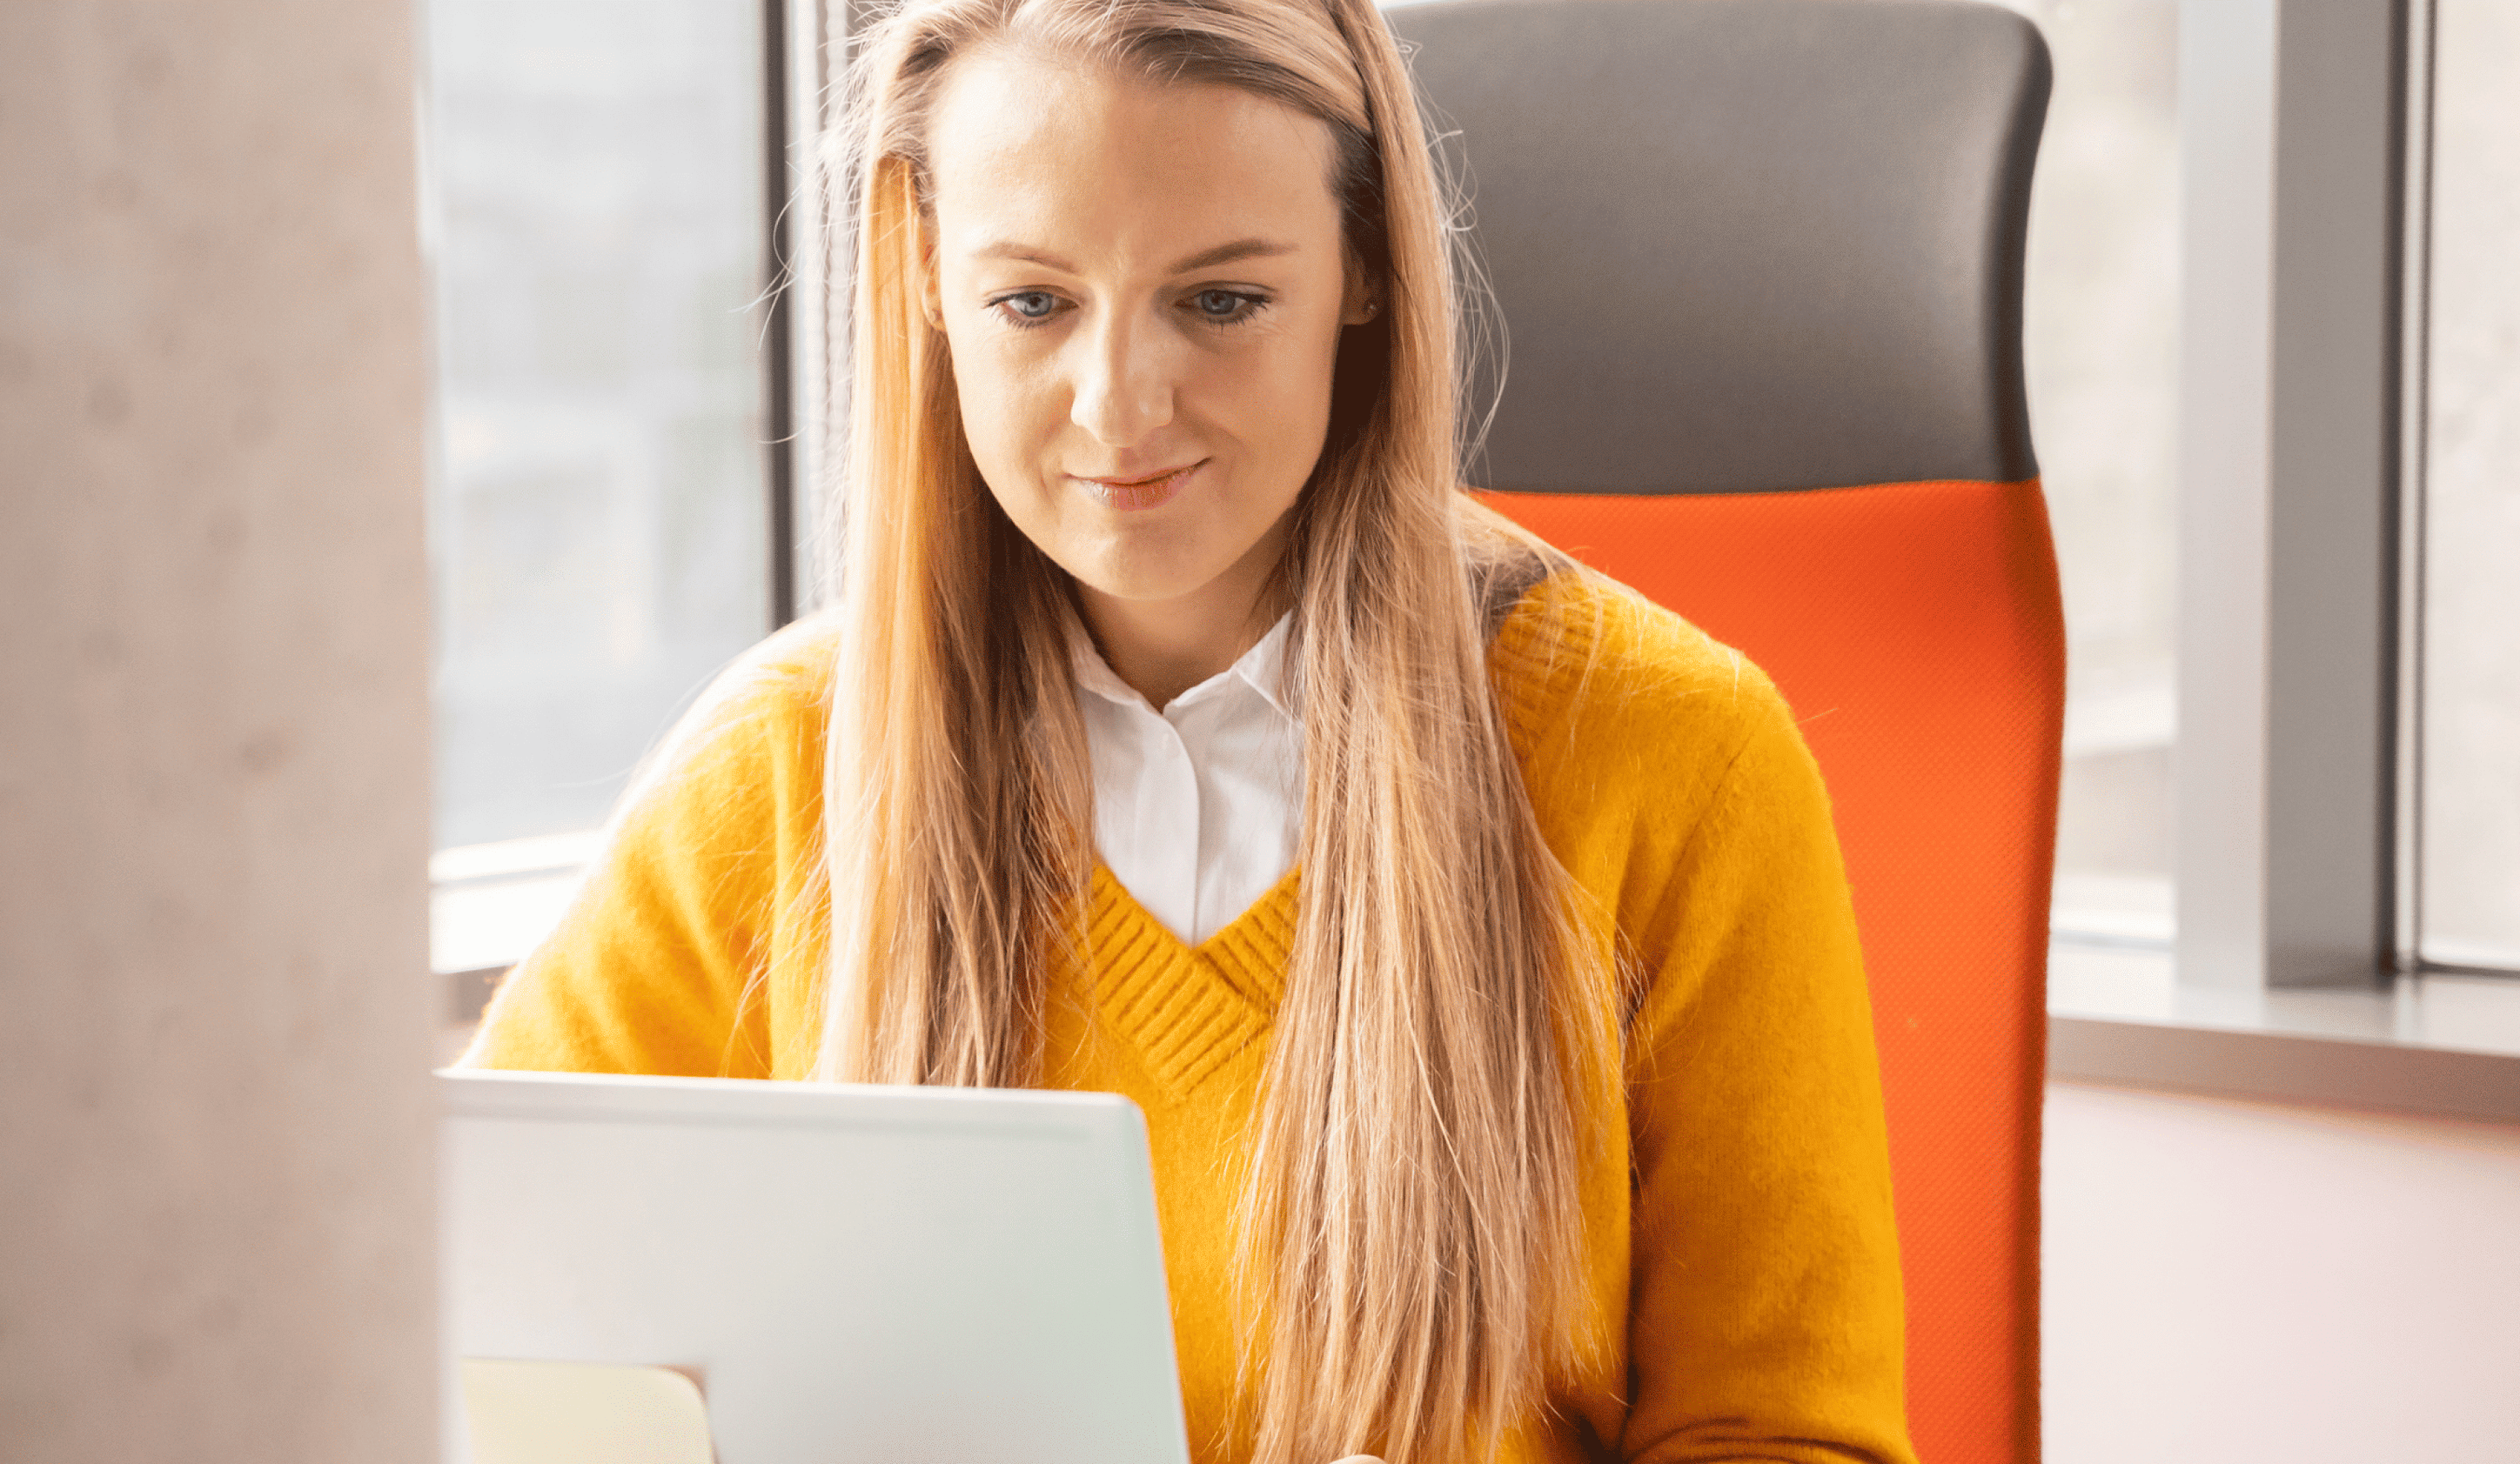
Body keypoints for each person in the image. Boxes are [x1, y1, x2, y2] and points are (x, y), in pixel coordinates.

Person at [459, 1, 1913, 1460]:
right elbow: (463, 1333)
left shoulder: (1676, 758)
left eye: (1219, 302)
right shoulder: (780, 769)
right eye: (1033, 303)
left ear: (1364, 275)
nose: (1119, 404)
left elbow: (1787, 1430)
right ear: (926, 280)